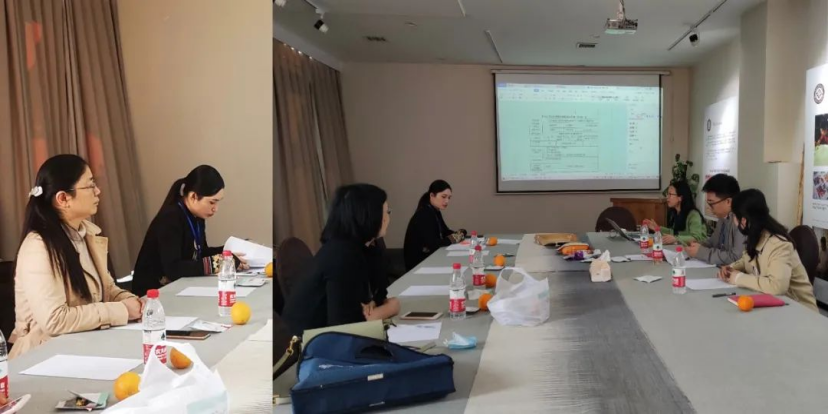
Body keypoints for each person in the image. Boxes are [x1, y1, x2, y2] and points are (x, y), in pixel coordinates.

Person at [9, 155, 141, 359]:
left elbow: (107, 289)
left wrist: (135, 303)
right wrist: (121, 310)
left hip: (83, 346)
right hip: (42, 357)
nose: (98, 191)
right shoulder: (38, 246)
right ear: (63, 199)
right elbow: (54, 320)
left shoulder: (86, 234)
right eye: (90, 185)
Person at [282, 184, 400, 336]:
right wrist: (390, 308)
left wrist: (373, 304)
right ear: (370, 216)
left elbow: (379, 291)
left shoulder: (364, 248)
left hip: (325, 338)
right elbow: (346, 328)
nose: (387, 218)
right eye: (386, 212)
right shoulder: (342, 255)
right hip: (307, 344)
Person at [132, 166, 247, 297]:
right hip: (152, 294)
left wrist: (230, 251)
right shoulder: (170, 218)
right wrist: (220, 263)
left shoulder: (197, 217)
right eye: (212, 202)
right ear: (193, 196)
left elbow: (200, 253)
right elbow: (173, 269)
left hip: (178, 287)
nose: (215, 208)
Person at [717, 189, 818, 312]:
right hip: (778, 307)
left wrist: (738, 278)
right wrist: (731, 268)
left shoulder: (779, 245)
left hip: (801, 311)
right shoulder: (756, 236)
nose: (733, 220)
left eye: (734, 216)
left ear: (743, 220)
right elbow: (747, 260)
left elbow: (777, 286)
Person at [403, 180, 467, 271]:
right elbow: (434, 244)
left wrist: (461, 233)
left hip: (430, 259)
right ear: (432, 195)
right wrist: (458, 236)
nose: (447, 201)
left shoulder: (434, 211)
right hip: (419, 265)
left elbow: (445, 232)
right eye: (443, 197)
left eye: (449, 198)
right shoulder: (424, 214)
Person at [686, 174, 746, 265]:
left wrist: (701, 252)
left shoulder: (741, 221)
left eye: (711, 203)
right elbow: (713, 243)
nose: (709, 208)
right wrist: (698, 245)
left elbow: (736, 258)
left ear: (728, 202)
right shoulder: (722, 217)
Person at [645, 180, 707, 245]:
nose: (667, 197)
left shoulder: (694, 215)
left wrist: (676, 239)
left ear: (680, 198)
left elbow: (697, 238)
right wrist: (657, 228)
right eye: (667, 194)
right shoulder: (676, 212)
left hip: (699, 249)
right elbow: (674, 232)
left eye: (670, 194)